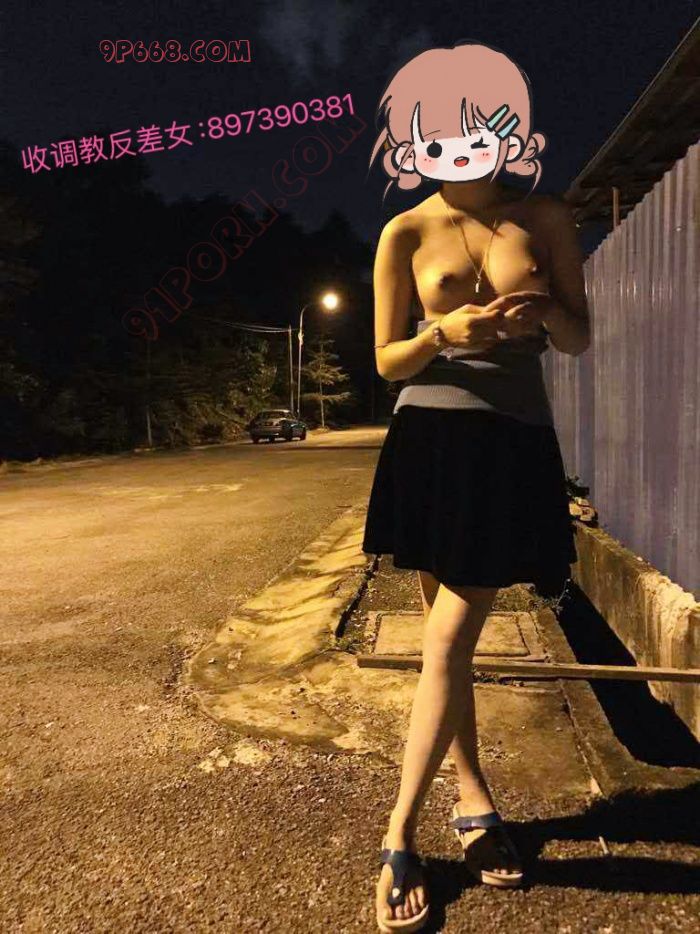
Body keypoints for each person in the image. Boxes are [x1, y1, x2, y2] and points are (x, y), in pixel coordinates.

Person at [362, 41, 590, 933]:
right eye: (436, 133)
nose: (458, 146)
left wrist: (545, 311)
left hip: (512, 440)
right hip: (430, 437)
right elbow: (386, 361)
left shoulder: (545, 216)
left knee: (447, 640)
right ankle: (472, 801)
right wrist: (443, 333)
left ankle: (398, 831)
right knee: (444, 646)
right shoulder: (404, 231)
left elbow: (578, 338)